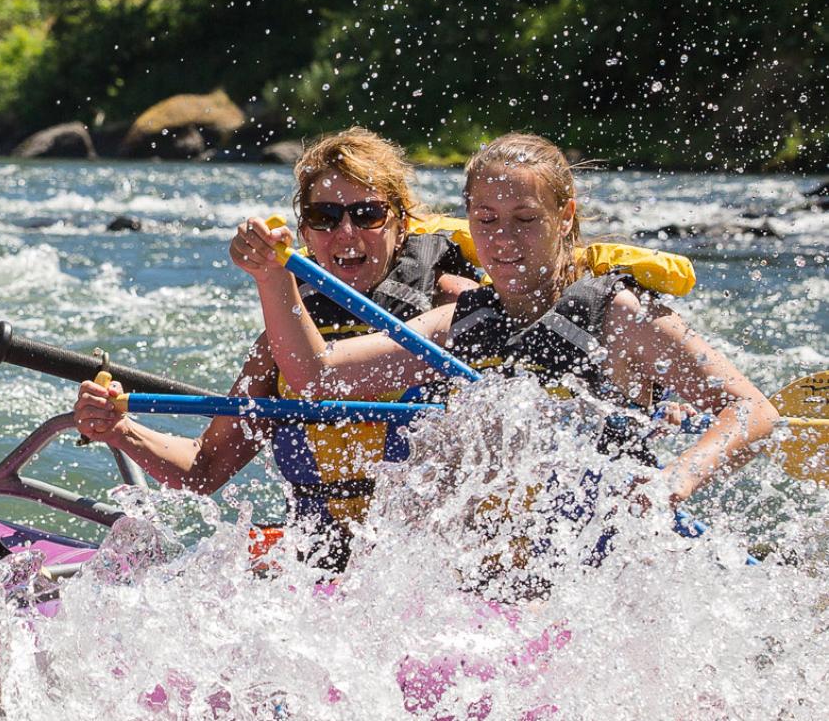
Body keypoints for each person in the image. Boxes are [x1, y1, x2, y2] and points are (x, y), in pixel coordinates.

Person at [233, 132, 776, 525]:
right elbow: (318, 378)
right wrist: (272, 277)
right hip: (491, 587)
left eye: (525, 218)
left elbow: (752, 409)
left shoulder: (620, 313)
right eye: (486, 220)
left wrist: (674, 481)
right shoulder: (461, 321)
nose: (503, 239)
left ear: (565, 215)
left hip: (591, 582)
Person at [73, 128, 484, 569]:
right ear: (304, 232)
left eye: (368, 214)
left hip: (423, 568)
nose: (346, 233)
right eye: (325, 217)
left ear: (401, 227)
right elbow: (203, 468)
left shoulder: (456, 305)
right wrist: (119, 428)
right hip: (319, 568)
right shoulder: (283, 342)